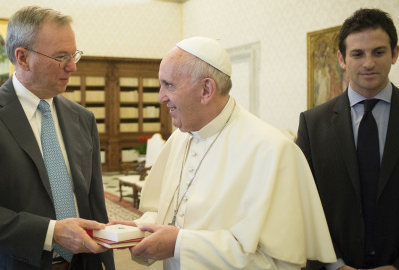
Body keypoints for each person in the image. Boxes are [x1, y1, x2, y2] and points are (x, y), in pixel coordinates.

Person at [111, 36, 336, 269]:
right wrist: (139, 229)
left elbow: (278, 262)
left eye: (169, 85)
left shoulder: (273, 150)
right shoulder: (179, 139)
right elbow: (170, 213)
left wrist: (180, 244)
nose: (160, 97)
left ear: (206, 89)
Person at [0, 6, 114, 270]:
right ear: (22, 58)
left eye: (74, 54)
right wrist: (51, 233)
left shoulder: (83, 119)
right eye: (61, 57)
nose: (73, 66)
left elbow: (94, 205)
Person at [296, 8, 399, 270]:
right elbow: (302, 204)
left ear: (395, 54)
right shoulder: (312, 123)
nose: (368, 63)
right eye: (357, 54)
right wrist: (334, 264)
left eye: (378, 52)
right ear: (341, 59)